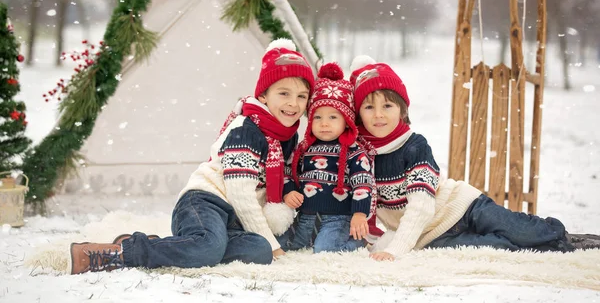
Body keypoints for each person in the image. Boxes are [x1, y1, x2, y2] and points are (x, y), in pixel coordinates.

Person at [68, 39, 315, 274]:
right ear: (263, 96)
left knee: (259, 251)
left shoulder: (287, 136)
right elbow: (240, 194)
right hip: (205, 202)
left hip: (234, 219)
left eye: (301, 96)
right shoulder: (246, 131)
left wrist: (270, 243)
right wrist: (275, 246)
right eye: (283, 93)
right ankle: (120, 253)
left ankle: (181, 246)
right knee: (213, 247)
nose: (293, 103)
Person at [348, 55, 582, 262]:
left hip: (463, 207)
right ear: (358, 114)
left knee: (522, 232)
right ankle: (546, 247)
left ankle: (564, 238)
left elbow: (420, 207)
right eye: (369, 107)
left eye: (387, 105)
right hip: (431, 236)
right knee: (498, 248)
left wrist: (396, 250)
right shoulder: (361, 157)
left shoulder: (415, 146)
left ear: (402, 110)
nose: (378, 114)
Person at [278, 62, 376, 253]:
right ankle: (313, 240)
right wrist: (289, 191)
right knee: (286, 245)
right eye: (317, 117)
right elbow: (288, 172)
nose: (324, 124)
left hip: (338, 217)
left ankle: (357, 244)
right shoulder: (304, 148)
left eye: (333, 117)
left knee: (325, 249)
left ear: (346, 122)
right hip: (306, 215)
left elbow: (363, 184)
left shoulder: (353, 151)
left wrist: (359, 213)